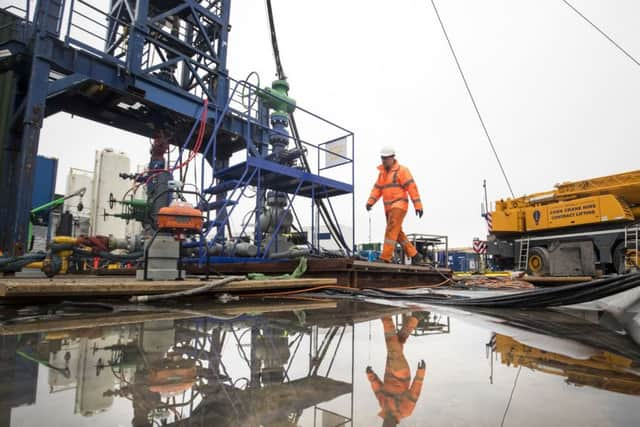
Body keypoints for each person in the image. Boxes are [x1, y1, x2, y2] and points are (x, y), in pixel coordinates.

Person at [366, 146, 423, 263]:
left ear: (392, 157)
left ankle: (385, 257)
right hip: (388, 208)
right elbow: (377, 189)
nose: (384, 160)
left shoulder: (402, 170)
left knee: (391, 228)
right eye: (382, 158)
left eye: (386, 158)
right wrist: (370, 202)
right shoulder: (382, 174)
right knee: (397, 233)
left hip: (399, 205)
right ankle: (415, 255)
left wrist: (418, 205)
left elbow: (412, 187)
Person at [366, 316, 426, 427]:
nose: (387, 423)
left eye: (384, 424)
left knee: (398, 342)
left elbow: (378, 389)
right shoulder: (405, 410)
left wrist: (370, 375)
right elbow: (415, 392)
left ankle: (414, 319)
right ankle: (386, 317)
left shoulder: (384, 406)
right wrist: (420, 373)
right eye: (389, 425)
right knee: (392, 345)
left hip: (389, 368)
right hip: (401, 373)